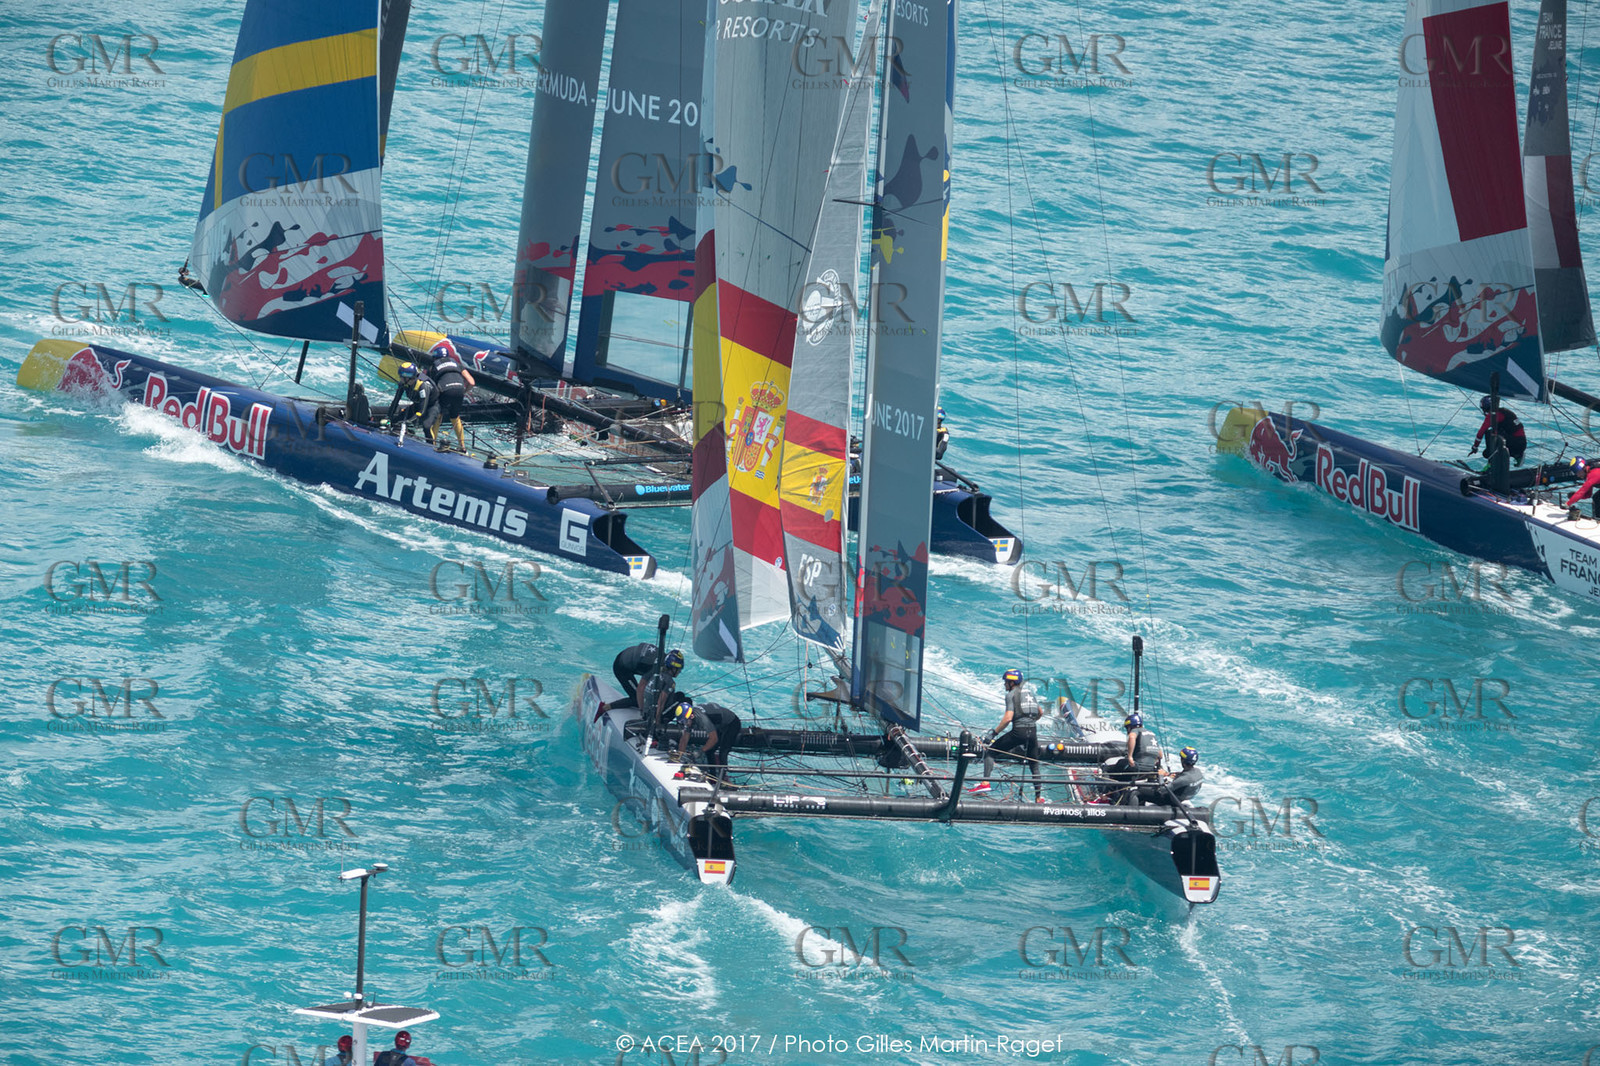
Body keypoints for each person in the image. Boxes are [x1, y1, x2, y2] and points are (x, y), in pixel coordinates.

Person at [969, 668, 1044, 801]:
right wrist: (1029, 722)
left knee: (991, 752)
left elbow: (1008, 718)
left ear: (1011, 683)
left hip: (1018, 732)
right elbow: (1040, 713)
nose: (1004, 684)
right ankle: (1038, 798)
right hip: (1032, 732)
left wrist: (994, 733)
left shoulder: (1011, 695)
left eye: (1006, 682)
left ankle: (984, 784)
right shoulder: (1030, 693)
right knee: (1034, 764)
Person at [669, 697, 742, 782]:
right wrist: (680, 756)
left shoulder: (702, 719)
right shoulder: (689, 719)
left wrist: (700, 751)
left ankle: (723, 779)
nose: (685, 724)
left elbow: (714, 739)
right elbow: (684, 739)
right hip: (719, 724)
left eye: (685, 721)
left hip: (732, 723)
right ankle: (713, 777)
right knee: (710, 751)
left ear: (691, 716)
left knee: (723, 751)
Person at [1100, 712, 1161, 805]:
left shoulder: (1135, 731)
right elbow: (1160, 754)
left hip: (1137, 767)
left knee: (1108, 769)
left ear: (1130, 726)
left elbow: (1132, 737)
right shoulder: (1152, 734)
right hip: (1150, 770)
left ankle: (1105, 794)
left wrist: (1130, 756)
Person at [428, 339, 476, 452]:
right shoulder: (457, 364)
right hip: (459, 390)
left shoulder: (434, 366)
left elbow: (431, 386)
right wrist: (463, 391)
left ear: (435, 358)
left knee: (438, 416)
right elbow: (472, 382)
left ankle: (432, 445)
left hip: (444, 390)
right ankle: (462, 447)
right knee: (455, 417)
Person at [609, 643, 678, 709]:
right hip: (621, 667)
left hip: (627, 655)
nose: (679, 672)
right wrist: (642, 711)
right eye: (678, 670)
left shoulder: (663, 658)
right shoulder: (655, 667)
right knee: (636, 699)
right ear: (672, 668)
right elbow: (640, 688)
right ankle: (606, 707)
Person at [1470, 396, 1526, 465]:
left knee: (1489, 433)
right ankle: (1517, 455)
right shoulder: (1505, 411)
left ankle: (1491, 464)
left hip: (1514, 444)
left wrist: (1475, 447)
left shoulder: (1493, 415)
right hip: (1522, 444)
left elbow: (1481, 432)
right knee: (1486, 453)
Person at [392, 362, 440, 443]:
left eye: (403, 378)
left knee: (426, 426)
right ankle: (407, 434)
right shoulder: (403, 383)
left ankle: (432, 445)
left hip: (431, 406)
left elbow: (422, 411)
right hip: (417, 405)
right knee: (396, 420)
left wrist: (409, 421)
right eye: (401, 377)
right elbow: (395, 401)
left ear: (411, 378)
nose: (401, 380)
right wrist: (388, 417)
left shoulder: (423, 386)